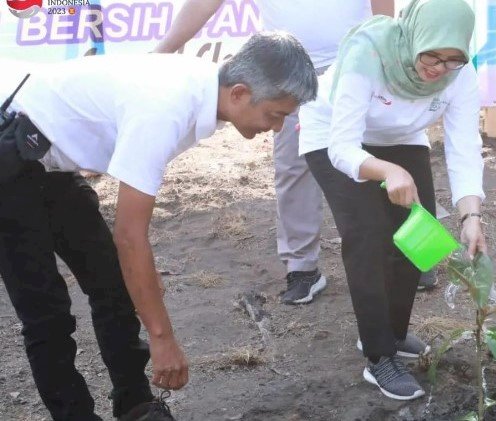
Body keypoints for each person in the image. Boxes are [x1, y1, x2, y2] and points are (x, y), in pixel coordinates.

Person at [0, 32, 317, 420]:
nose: (278, 128)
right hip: (10, 152)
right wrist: (162, 339)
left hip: (46, 156)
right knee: (47, 313)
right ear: (238, 93)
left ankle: (135, 406)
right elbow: (130, 236)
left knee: (114, 285)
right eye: (275, 115)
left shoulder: (205, 88)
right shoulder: (166, 106)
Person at [152, 0, 441, 305]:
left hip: (359, 61)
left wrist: (386, 46)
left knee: (384, 155)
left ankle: (412, 256)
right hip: (286, 73)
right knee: (293, 167)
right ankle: (302, 268)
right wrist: (163, 51)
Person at [299, 0, 487, 400]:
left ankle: (393, 335)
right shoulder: (368, 52)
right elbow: (343, 148)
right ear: (414, 35)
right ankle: (379, 356)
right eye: (432, 55)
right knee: (368, 233)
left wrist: (471, 214)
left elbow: (463, 147)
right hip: (334, 136)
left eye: (452, 60)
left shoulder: (460, 76)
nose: (439, 68)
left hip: (401, 138)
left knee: (417, 233)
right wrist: (386, 171)